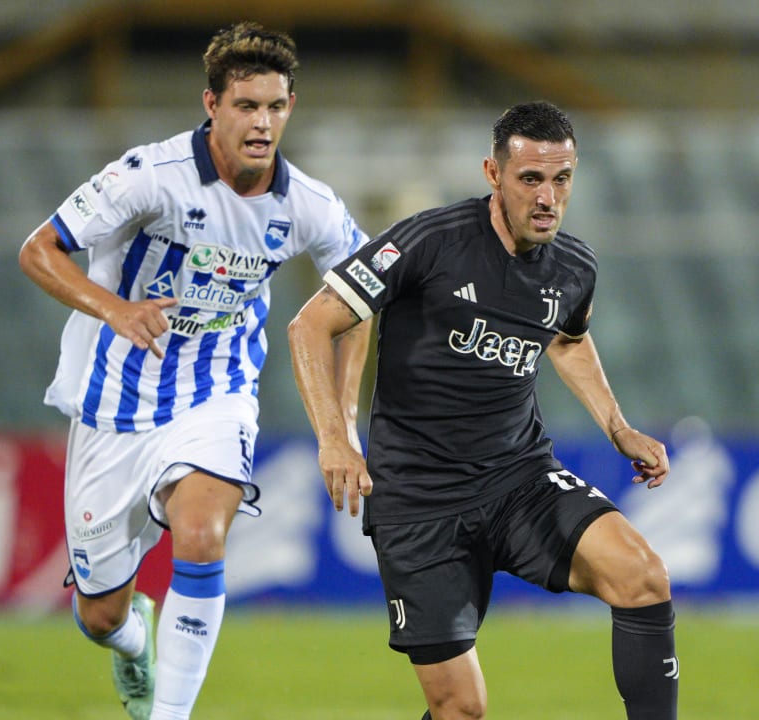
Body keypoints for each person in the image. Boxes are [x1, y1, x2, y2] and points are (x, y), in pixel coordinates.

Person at [18, 22, 371, 720]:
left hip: (214, 394)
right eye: (246, 105)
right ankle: (132, 640)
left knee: (205, 533)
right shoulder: (149, 176)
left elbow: (360, 300)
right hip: (114, 400)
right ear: (212, 105)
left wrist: (344, 423)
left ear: (290, 107)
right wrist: (114, 308)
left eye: (274, 106)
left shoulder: (310, 206)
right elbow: (39, 250)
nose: (262, 122)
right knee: (98, 617)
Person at [288, 101, 678, 720]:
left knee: (643, 577)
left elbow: (569, 339)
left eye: (562, 179)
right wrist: (335, 438)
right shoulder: (429, 241)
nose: (548, 197)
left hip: (519, 479)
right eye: (531, 179)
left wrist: (617, 425)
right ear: (493, 175)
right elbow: (312, 325)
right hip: (420, 499)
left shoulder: (575, 266)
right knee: (460, 709)